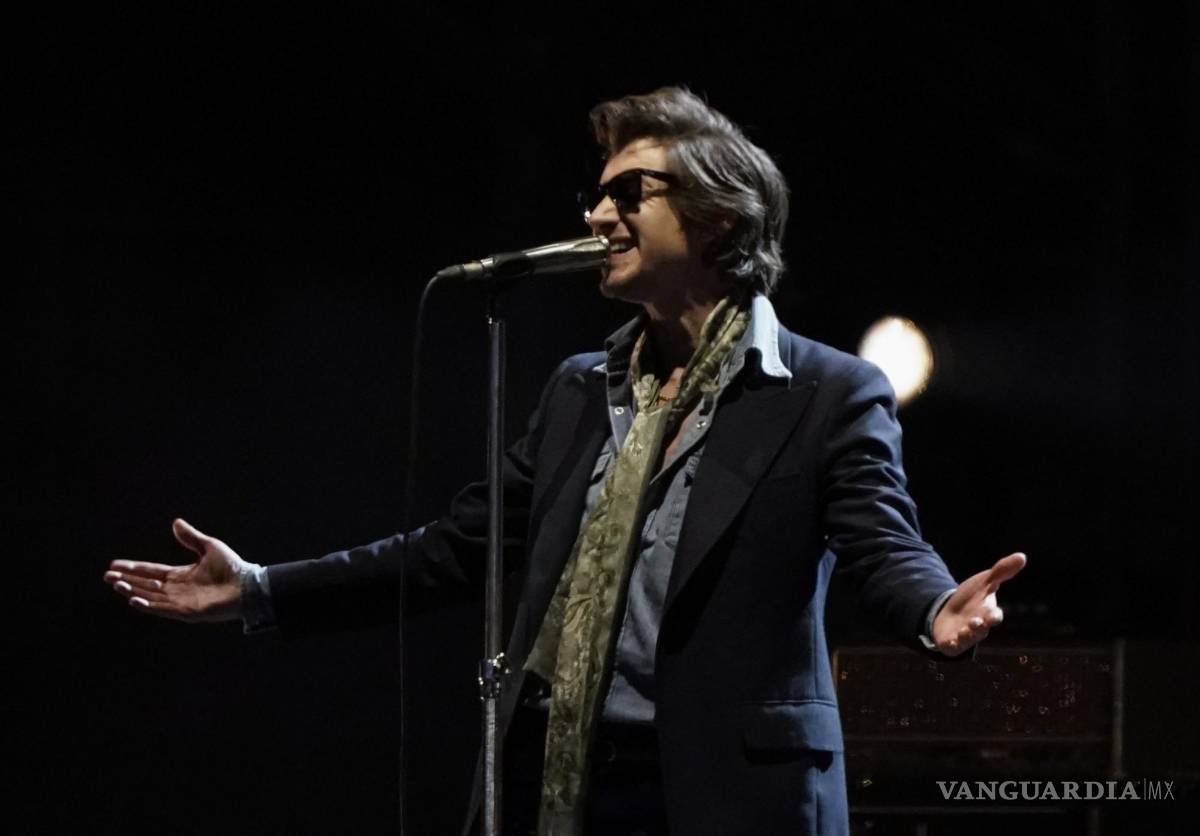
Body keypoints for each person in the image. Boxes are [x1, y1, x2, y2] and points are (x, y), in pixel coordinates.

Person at [104, 87, 1026, 836]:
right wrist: (262, 589)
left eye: (630, 193)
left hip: (727, 793)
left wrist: (934, 606)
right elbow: (458, 549)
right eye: (596, 195)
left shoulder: (827, 391)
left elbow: (880, 540)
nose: (597, 215)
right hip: (563, 781)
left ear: (715, 217)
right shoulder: (582, 388)